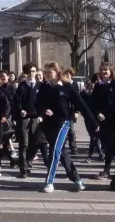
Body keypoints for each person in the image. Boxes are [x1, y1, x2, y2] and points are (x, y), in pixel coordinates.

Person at [36, 61, 94, 193]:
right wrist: (44, 109)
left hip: (63, 122)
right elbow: (38, 103)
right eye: (45, 71)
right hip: (48, 124)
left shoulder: (67, 87)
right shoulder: (45, 87)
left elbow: (81, 104)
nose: (46, 74)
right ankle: (77, 179)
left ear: (57, 72)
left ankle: (49, 181)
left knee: (55, 150)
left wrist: (93, 121)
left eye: (49, 71)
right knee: (62, 152)